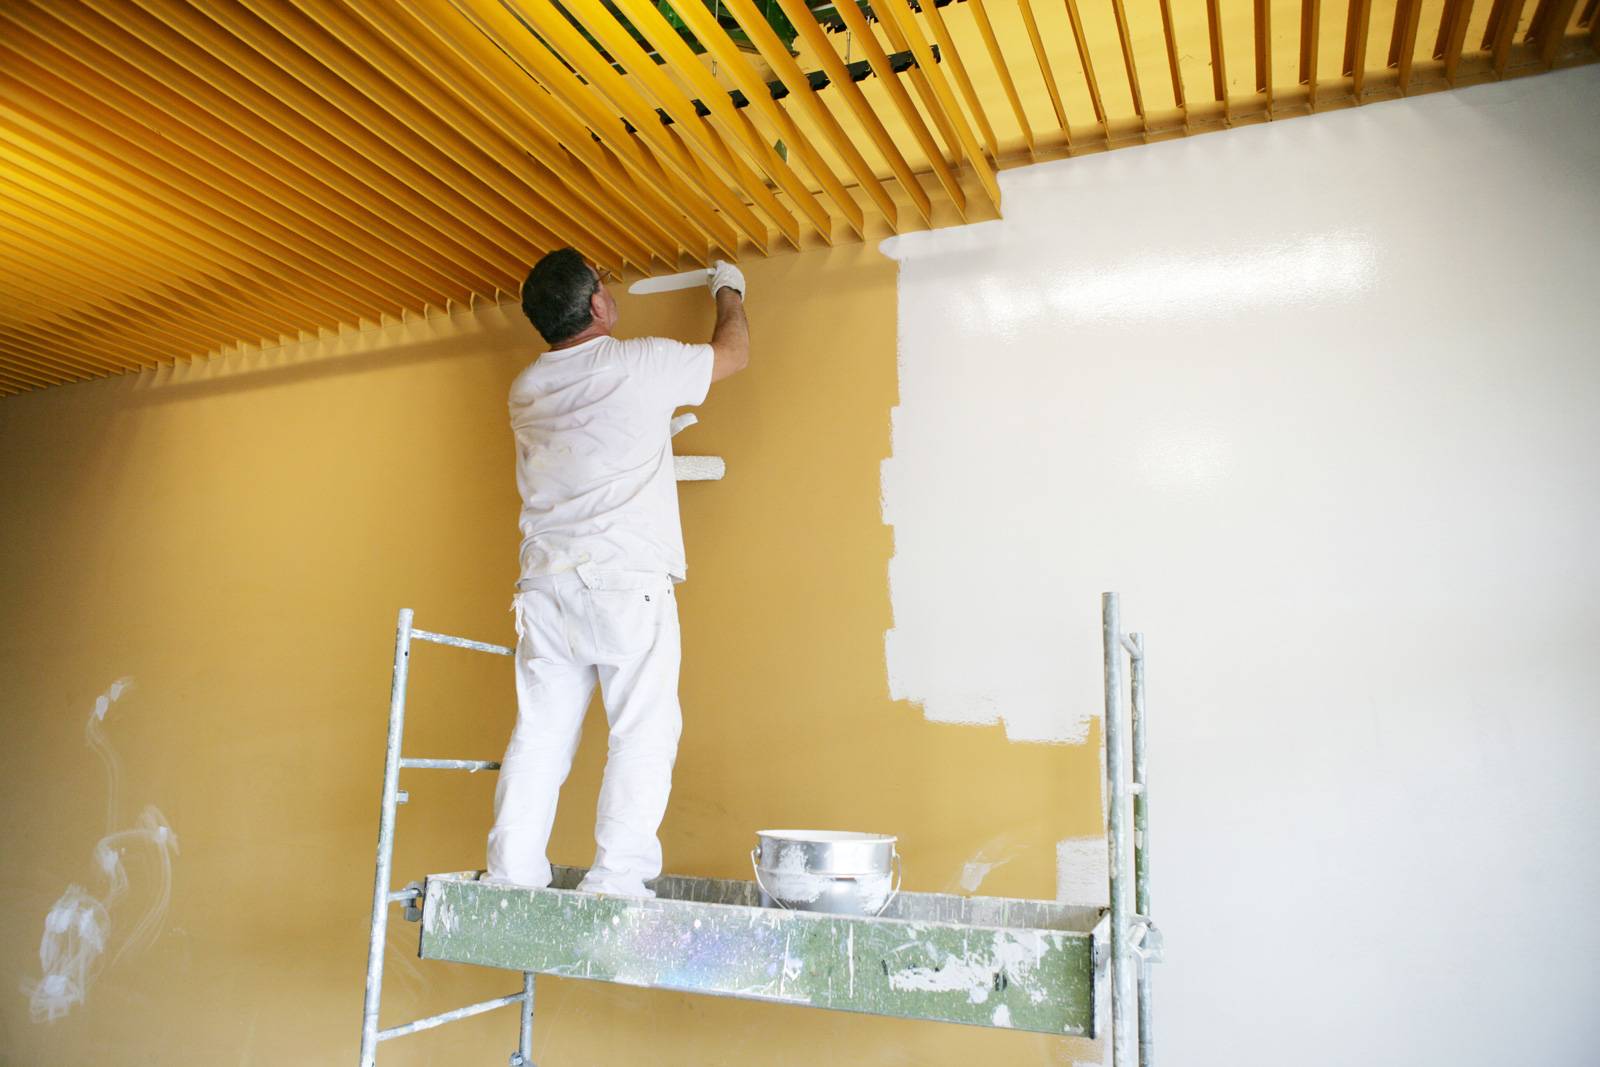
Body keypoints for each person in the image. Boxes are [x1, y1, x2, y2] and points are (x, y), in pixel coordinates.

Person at [486, 249, 749, 897]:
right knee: (642, 730)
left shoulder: (526, 388)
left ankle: (511, 876)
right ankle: (616, 878)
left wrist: (651, 447)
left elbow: (587, 451)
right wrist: (730, 290)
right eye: (604, 284)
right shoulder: (638, 363)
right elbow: (732, 354)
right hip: (623, 581)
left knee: (540, 734)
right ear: (598, 304)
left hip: (546, 584)